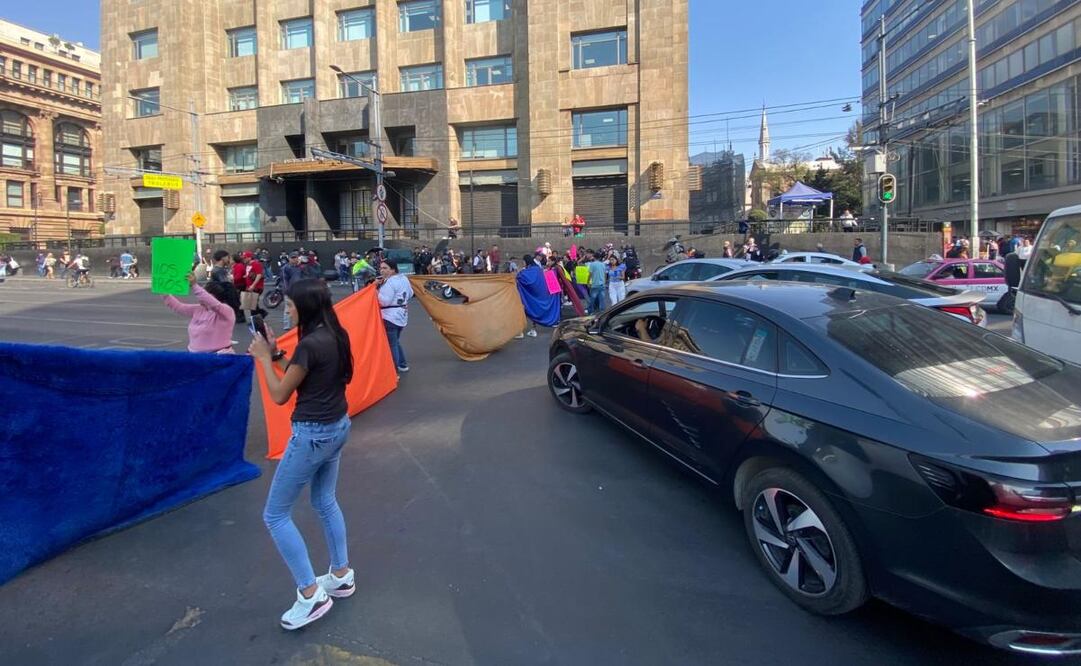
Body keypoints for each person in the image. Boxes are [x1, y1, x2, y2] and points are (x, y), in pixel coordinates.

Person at [249, 279, 355, 631]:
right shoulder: (334, 334)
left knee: (275, 515)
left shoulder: (310, 344)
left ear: (305, 307)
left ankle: (310, 595)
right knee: (325, 501)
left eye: (291, 306)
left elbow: (280, 394)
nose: (286, 310)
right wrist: (277, 354)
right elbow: (300, 379)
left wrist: (263, 359)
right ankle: (340, 575)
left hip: (312, 435)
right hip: (337, 427)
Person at [162, 273, 236, 353]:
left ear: (213, 296)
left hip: (217, 358)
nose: (199, 295)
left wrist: (194, 286)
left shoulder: (227, 311)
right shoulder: (199, 309)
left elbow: (214, 304)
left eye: (204, 292)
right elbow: (178, 307)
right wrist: (164, 293)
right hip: (194, 356)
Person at [377, 258, 414, 373]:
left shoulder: (390, 282)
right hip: (401, 315)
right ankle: (402, 364)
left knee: (392, 344)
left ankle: (393, 370)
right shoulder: (404, 279)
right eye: (381, 268)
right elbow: (411, 293)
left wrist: (375, 291)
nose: (381, 270)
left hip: (389, 316)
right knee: (395, 341)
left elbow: (384, 301)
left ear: (392, 270)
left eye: (385, 268)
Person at [241, 251, 267, 321]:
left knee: (252, 304)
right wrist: (245, 276)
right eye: (243, 258)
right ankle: (261, 314)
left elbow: (259, 275)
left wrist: (253, 285)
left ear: (249, 258)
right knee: (251, 304)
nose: (244, 259)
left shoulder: (256, 264)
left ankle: (256, 319)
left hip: (256, 287)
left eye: (245, 258)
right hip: (250, 286)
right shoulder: (248, 265)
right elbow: (249, 273)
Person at [280, 252, 303, 331]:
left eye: (295, 257)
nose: (294, 259)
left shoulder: (300, 267)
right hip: (289, 291)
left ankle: (298, 323)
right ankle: (287, 325)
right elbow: (284, 280)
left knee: (300, 307)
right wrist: (287, 291)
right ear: (289, 258)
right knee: (288, 308)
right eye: (292, 258)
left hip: (299, 290)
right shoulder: (285, 268)